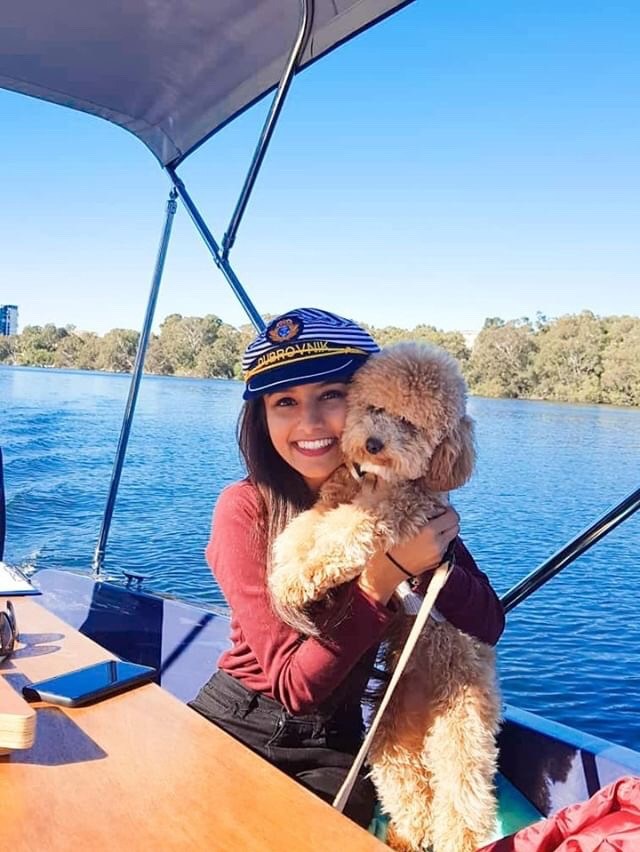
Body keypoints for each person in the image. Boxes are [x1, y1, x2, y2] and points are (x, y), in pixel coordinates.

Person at [189, 307, 505, 828]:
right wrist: (384, 576)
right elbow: (294, 686)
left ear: (364, 404)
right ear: (261, 417)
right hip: (243, 721)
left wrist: (426, 563)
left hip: (337, 741)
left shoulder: (399, 493)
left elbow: (488, 622)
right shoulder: (245, 508)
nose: (309, 423)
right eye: (283, 402)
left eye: (330, 397)